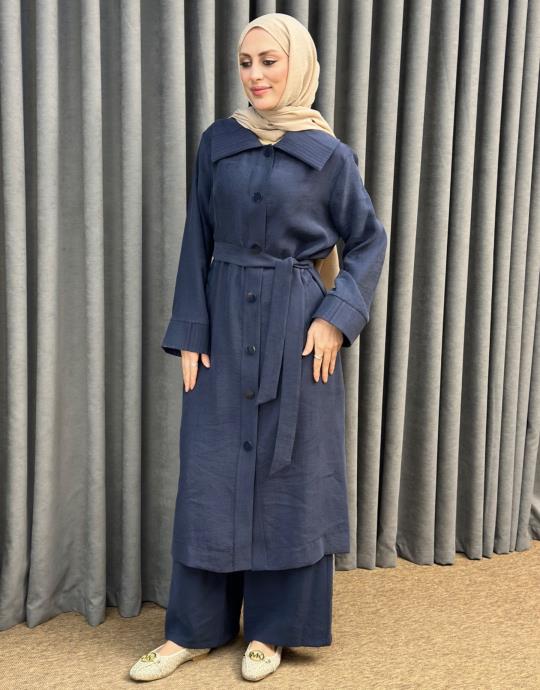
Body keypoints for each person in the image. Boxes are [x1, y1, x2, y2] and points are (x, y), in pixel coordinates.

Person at [129, 11, 387, 684]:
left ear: (297, 64)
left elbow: (367, 240)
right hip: (223, 322)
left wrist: (336, 317)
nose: (255, 74)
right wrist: (192, 331)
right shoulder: (217, 143)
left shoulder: (329, 154)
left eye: (269, 61)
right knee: (210, 471)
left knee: (287, 473)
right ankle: (193, 630)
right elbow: (198, 237)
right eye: (246, 62)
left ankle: (273, 630)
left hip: (297, 330)